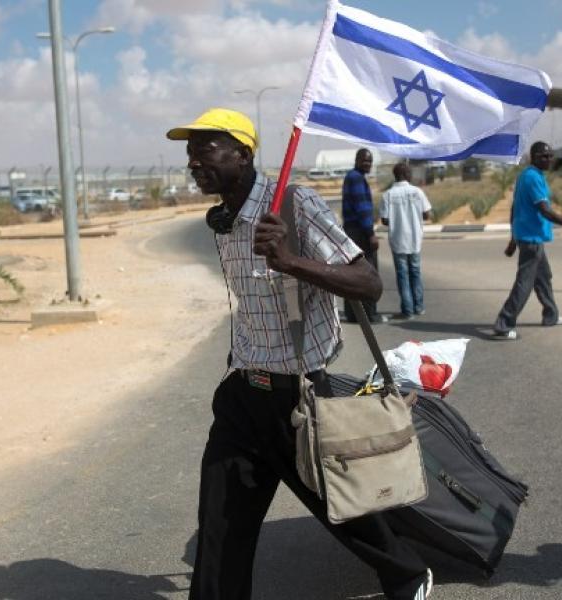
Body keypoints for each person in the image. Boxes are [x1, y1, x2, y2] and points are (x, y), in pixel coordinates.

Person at [166, 108, 432, 600]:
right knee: (221, 525)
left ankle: (408, 574)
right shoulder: (224, 219)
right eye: (189, 153)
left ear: (242, 154)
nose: (193, 162)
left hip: (298, 397)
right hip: (243, 392)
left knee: (342, 507)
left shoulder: (294, 203)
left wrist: (290, 261)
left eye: (205, 150)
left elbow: (368, 283)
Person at [494, 141, 562, 340]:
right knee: (524, 283)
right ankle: (503, 323)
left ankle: (550, 315)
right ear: (533, 157)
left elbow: (515, 208)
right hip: (531, 239)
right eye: (543, 156)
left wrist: (513, 239)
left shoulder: (527, 175)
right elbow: (544, 210)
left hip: (527, 236)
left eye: (550, 156)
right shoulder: (533, 178)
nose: (548, 160)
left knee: (544, 277)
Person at [380, 162, 432, 319]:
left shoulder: (387, 195)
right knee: (415, 272)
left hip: (398, 240)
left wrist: (398, 218)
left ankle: (407, 310)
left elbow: (385, 220)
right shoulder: (417, 192)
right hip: (415, 239)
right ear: (407, 175)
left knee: (403, 275)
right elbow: (427, 215)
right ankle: (419, 307)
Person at [342, 148, 388, 323]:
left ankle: (354, 314)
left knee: (353, 272)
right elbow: (362, 210)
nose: (368, 164)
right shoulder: (356, 178)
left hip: (353, 231)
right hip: (360, 233)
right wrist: (370, 234)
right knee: (368, 273)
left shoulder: (353, 177)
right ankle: (369, 314)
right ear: (357, 160)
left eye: (370, 161)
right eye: (365, 161)